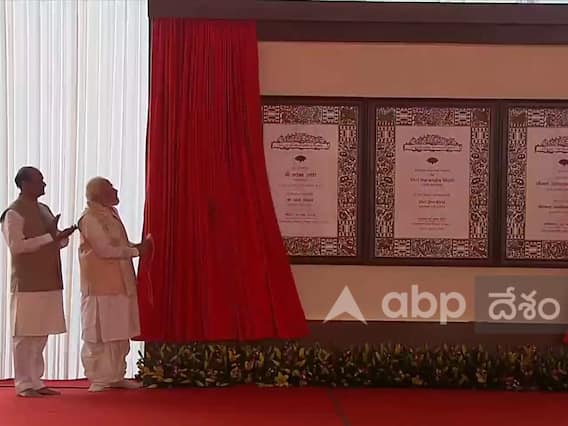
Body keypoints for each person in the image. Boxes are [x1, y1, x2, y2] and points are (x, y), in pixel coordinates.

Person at [0, 166, 76, 398]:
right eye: (39, 180)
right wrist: (49, 237)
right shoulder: (13, 213)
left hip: (49, 279)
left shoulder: (43, 209)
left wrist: (61, 238)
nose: (44, 184)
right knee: (25, 335)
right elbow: (17, 246)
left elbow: (53, 241)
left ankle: (36, 381)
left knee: (41, 332)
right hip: (27, 283)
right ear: (24, 184)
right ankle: (24, 384)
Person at [77, 177, 152, 392]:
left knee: (119, 332)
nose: (116, 190)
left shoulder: (111, 214)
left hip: (121, 284)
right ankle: (99, 378)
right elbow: (104, 250)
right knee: (101, 335)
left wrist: (137, 247)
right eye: (110, 188)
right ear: (99, 195)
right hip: (100, 288)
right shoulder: (90, 218)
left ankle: (116, 375)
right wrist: (137, 251)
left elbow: (120, 245)